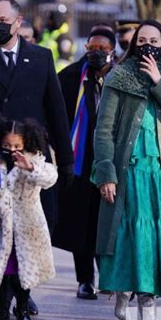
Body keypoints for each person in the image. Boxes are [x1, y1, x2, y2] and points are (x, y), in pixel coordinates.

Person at [92, 20, 161, 320]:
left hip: (160, 172)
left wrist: (158, 81)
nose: (148, 45)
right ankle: (130, 293)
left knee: (152, 234)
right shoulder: (119, 77)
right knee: (129, 232)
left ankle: (146, 297)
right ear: (134, 44)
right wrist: (106, 172)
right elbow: (103, 131)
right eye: (142, 40)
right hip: (128, 170)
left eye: (155, 40)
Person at [0, 0, 73, 316]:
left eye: (3, 21)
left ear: (18, 23)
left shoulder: (41, 57)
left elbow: (57, 111)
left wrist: (66, 159)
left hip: (30, 160)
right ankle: (1, 295)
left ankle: (23, 291)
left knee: (29, 228)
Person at [53, 28, 116, 300]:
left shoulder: (121, 78)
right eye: (92, 47)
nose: (96, 53)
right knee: (81, 220)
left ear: (113, 51)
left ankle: (110, 276)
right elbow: (56, 114)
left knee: (107, 219)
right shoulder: (70, 77)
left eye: (103, 49)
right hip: (79, 160)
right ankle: (85, 279)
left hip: (110, 161)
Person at [0, 117, 58, 320]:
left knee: (24, 273)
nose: (12, 150)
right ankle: (3, 317)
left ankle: (22, 309)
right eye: (6, 146)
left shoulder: (35, 160)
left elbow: (51, 177)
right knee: (1, 273)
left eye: (16, 146)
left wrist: (30, 167)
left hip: (28, 228)